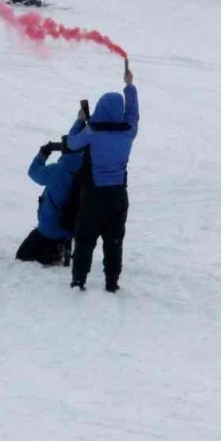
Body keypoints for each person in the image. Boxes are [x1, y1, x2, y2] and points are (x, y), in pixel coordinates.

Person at [65, 62, 138, 292]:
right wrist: (130, 86)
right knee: (114, 241)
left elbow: (71, 143)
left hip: (94, 194)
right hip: (118, 195)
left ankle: (79, 280)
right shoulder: (128, 131)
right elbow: (133, 113)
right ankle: (112, 282)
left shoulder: (92, 132)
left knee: (85, 238)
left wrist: (79, 120)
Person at [17, 139, 83, 266]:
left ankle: (52, 252)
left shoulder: (57, 170)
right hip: (72, 228)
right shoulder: (89, 171)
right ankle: (60, 248)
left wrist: (44, 152)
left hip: (49, 230)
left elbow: (33, 172)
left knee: (22, 257)